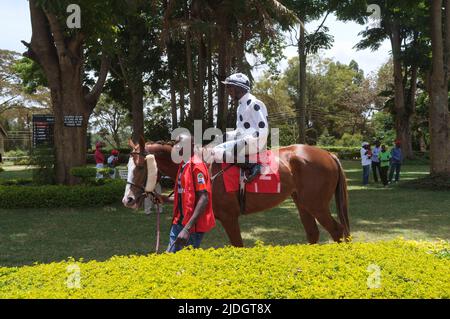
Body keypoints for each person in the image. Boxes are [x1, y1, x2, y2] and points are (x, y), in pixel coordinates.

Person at [155, 133, 215, 253]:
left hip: (191, 228)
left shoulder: (197, 167)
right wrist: (166, 199)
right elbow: (187, 197)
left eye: (179, 144)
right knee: (171, 259)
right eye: (175, 144)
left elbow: (204, 199)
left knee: (184, 264)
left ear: (190, 146)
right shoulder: (183, 165)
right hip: (178, 223)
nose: (175, 147)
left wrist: (187, 229)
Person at [211, 72, 269, 183]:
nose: (228, 91)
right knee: (216, 146)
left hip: (256, 143)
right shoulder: (240, 106)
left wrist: (245, 140)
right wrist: (225, 136)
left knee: (217, 150)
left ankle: (253, 166)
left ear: (239, 88)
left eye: (229, 87)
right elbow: (239, 131)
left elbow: (263, 130)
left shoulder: (255, 103)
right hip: (246, 141)